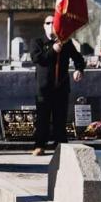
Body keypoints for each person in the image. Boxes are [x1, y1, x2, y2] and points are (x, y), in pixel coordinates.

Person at [30, 15, 85, 156]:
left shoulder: (66, 42)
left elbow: (78, 58)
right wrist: (53, 50)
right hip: (44, 87)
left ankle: (60, 145)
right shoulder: (37, 41)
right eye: (48, 23)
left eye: (54, 22)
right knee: (43, 118)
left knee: (60, 118)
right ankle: (40, 145)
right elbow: (38, 59)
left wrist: (79, 69)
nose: (51, 25)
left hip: (61, 86)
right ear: (44, 25)